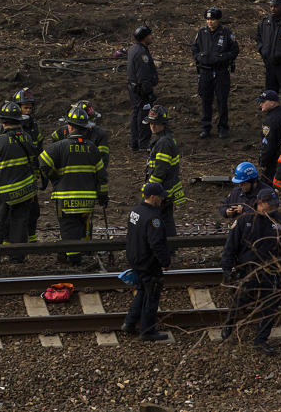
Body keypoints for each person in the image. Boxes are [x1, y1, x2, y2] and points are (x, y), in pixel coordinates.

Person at [221, 188, 281, 355]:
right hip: (247, 270)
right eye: (270, 206)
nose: (273, 209)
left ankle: (260, 340)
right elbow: (231, 246)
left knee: (271, 306)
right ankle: (229, 325)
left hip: (271, 272)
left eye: (275, 205)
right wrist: (227, 268)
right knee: (239, 301)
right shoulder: (245, 220)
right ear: (260, 204)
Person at [38, 104, 108, 266]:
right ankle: (83, 253)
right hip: (87, 200)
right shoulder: (93, 149)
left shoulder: (59, 147)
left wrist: (55, 178)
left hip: (65, 198)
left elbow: (42, 163)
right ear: (85, 128)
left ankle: (74, 261)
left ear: (69, 127)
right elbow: (102, 176)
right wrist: (103, 196)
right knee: (83, 227)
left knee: (69, 229)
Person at [0, 102, 39, 264]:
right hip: (25, 190)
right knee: (19, 222)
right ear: (19, 121)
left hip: (3, 191)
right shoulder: (27, 137)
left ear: (3, 122)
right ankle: (17, 257)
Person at [122, 182, 172, 342]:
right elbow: (156, 243)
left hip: (136, 258)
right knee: (152, 294)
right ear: (153, 197)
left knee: (143, 290)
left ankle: (129, 323)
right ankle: (147, 330)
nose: (163, 199)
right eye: (160, 196)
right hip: (148, 262)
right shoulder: (153, 219)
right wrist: (165, 261)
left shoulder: (136, 211)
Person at [191, 6, 239, 139]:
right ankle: (205, 127)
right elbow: (194, 48)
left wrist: (222, 58)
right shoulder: (201, 32)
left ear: (218, 20)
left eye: (212, 19)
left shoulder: (226, 32)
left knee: (222, 101)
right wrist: (199, 57)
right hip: (205, 72)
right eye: (207, 19)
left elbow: (234, 51)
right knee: (206, 100)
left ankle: (223, 128)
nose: (209, 22)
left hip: (221, 72)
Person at [142, 106, 184, 237]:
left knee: (162, 219)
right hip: (165, 188)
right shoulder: (162, 139)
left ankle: (168, 246)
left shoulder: (164, 142)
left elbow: (161, 170)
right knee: (165, 218)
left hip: (162, 190)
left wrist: (149, 189)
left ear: (164, 124)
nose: (153, 126)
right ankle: (169, 246)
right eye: (151, 123)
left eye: (156, 123)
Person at [11, 89, 44, 243]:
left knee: (33, 210)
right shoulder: (9, 125)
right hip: (14, 176)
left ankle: (31, 238)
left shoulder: (33, 126)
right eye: (25, 107)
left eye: (30, 107)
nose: (28, 111)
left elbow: (39, 151)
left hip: (30, 175)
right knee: (14, 210)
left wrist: (41, 174)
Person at [127, 25, 158, 151]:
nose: (151, 37)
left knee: (135, 114)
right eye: (149, 35)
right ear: (144, 38)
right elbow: (143, 75)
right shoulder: (141, 53)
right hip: (141, 90)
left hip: (134, 89)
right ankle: (143, 144)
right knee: (143, 116)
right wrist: (148, 91)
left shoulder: (134, 49)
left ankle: (134, 143)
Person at [256, 90, 281, 183]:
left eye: (263, 102)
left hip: (276, 161)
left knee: (266, 187)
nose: (260, 104)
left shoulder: (270, 120)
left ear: (272, 103)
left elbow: (269, 144)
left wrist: (263, 162)